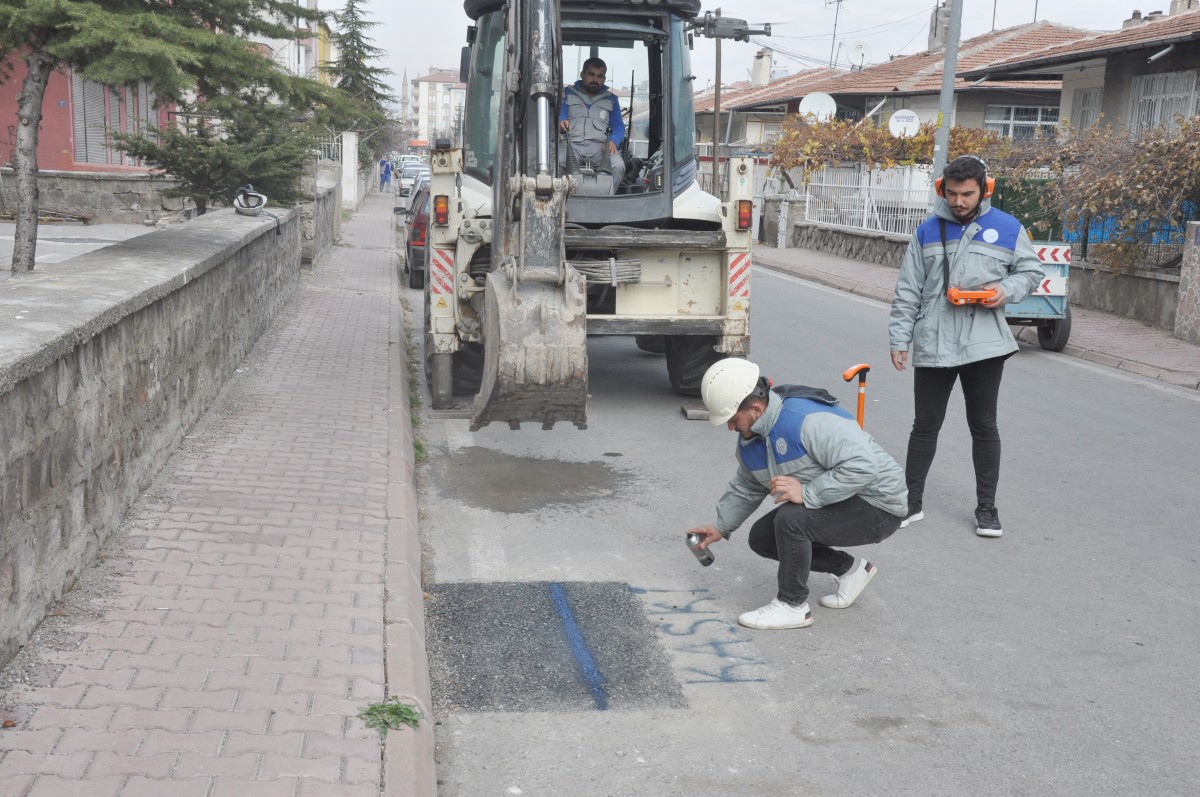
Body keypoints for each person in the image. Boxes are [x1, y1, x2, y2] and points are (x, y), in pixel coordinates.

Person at [888, 155, 1044, 538]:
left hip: (984, 345)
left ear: (984, 190)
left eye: (968, 194)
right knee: (924, 426)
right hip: (933, 342)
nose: (959, 201)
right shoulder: (926, 231)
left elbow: (1031, 271)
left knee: (984, 426)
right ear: (943, 189)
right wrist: (899, 338)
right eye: (953, 194)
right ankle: (912, 501)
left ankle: (987, 509)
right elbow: (907, 290)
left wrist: (1004, 291)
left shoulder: (1007, 228)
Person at [688, 359, 908, 631]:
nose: (730, 427)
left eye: (733, 420)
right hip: (843, 497)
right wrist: (721, 526)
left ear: (756, 409)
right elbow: (747, 485)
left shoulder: (807, 421)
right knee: (763, 538)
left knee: (792, 520)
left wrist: (807, 492)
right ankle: (852, 571)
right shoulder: (753, 436)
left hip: (880, 505)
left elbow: (863, 467)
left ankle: (792, 606)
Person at [558, 58, 625, 191]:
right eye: (591, 74)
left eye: (599, 76)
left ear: (604, 78)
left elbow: (618, 126)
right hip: (571, 145)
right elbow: (560, 113)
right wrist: (561, 121)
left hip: (600, 148)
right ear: (582, 74)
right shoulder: (567, 93)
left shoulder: (611, 99)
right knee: (557, 163)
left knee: (618, 166)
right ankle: (562, 202)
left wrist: (613, 141)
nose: (595, 79)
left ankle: (607, 201)